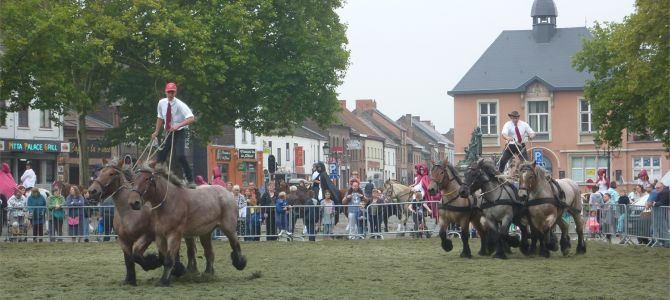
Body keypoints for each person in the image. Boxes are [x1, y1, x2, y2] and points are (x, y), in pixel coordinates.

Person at [150, 82, 196, 187]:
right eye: (169, 92)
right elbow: (160, 117)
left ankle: (190, 180)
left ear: (175, 92)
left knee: (180, 155)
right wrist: (156, 131)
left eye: (172, 92)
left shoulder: (180, 105)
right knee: (162, 154)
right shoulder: (161, 103)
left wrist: (178, 125)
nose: (170, 94)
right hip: (169, 132)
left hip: (179, 132)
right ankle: (155, 176)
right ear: (165, 92)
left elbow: (191, 118)